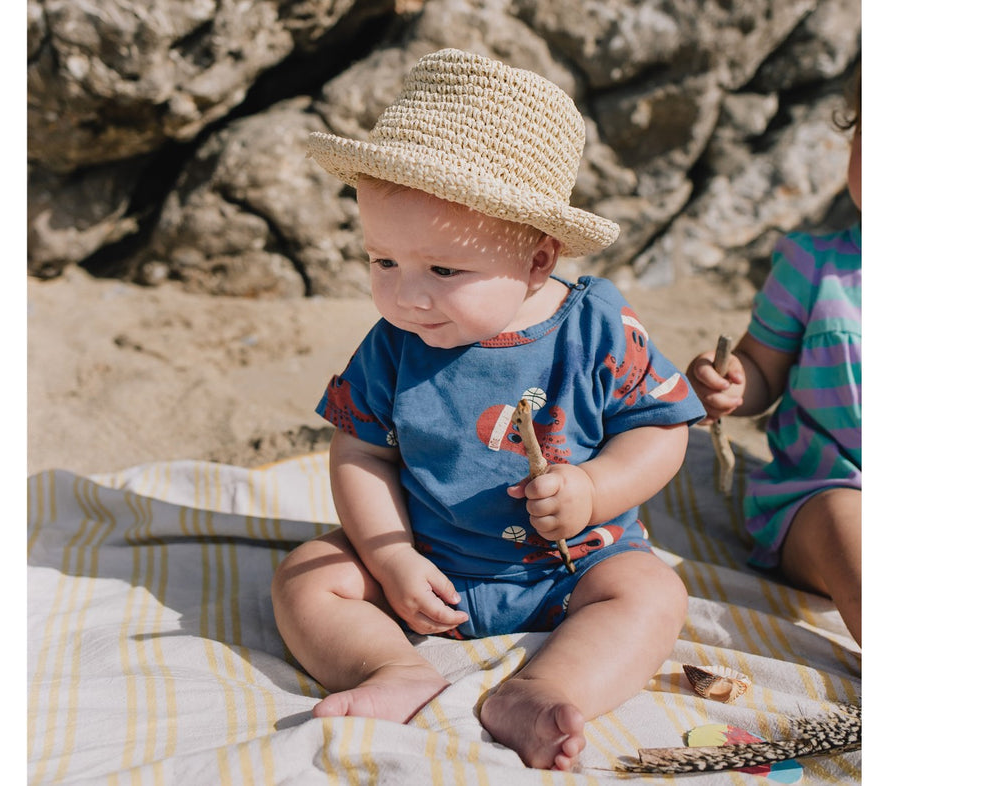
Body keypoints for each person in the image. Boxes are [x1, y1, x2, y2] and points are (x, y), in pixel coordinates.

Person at [270, 48, 705, 771]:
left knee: (652, 592)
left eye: (443, 269)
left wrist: (596, 489)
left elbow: (660, 431)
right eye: (383, 261)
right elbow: (360, 451)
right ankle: (395, 670)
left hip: (571, 567)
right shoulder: (396, 344)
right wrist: (391, 555)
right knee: (308, 573)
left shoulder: (598, 326)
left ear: (538, 261)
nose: (408, 294)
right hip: (431, 564)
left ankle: (541, 689)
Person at [684, 66, 861, 645]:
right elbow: (763, 369)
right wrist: (734, 382)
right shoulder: (814, 265)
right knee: (848, 532)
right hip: (826, 493)